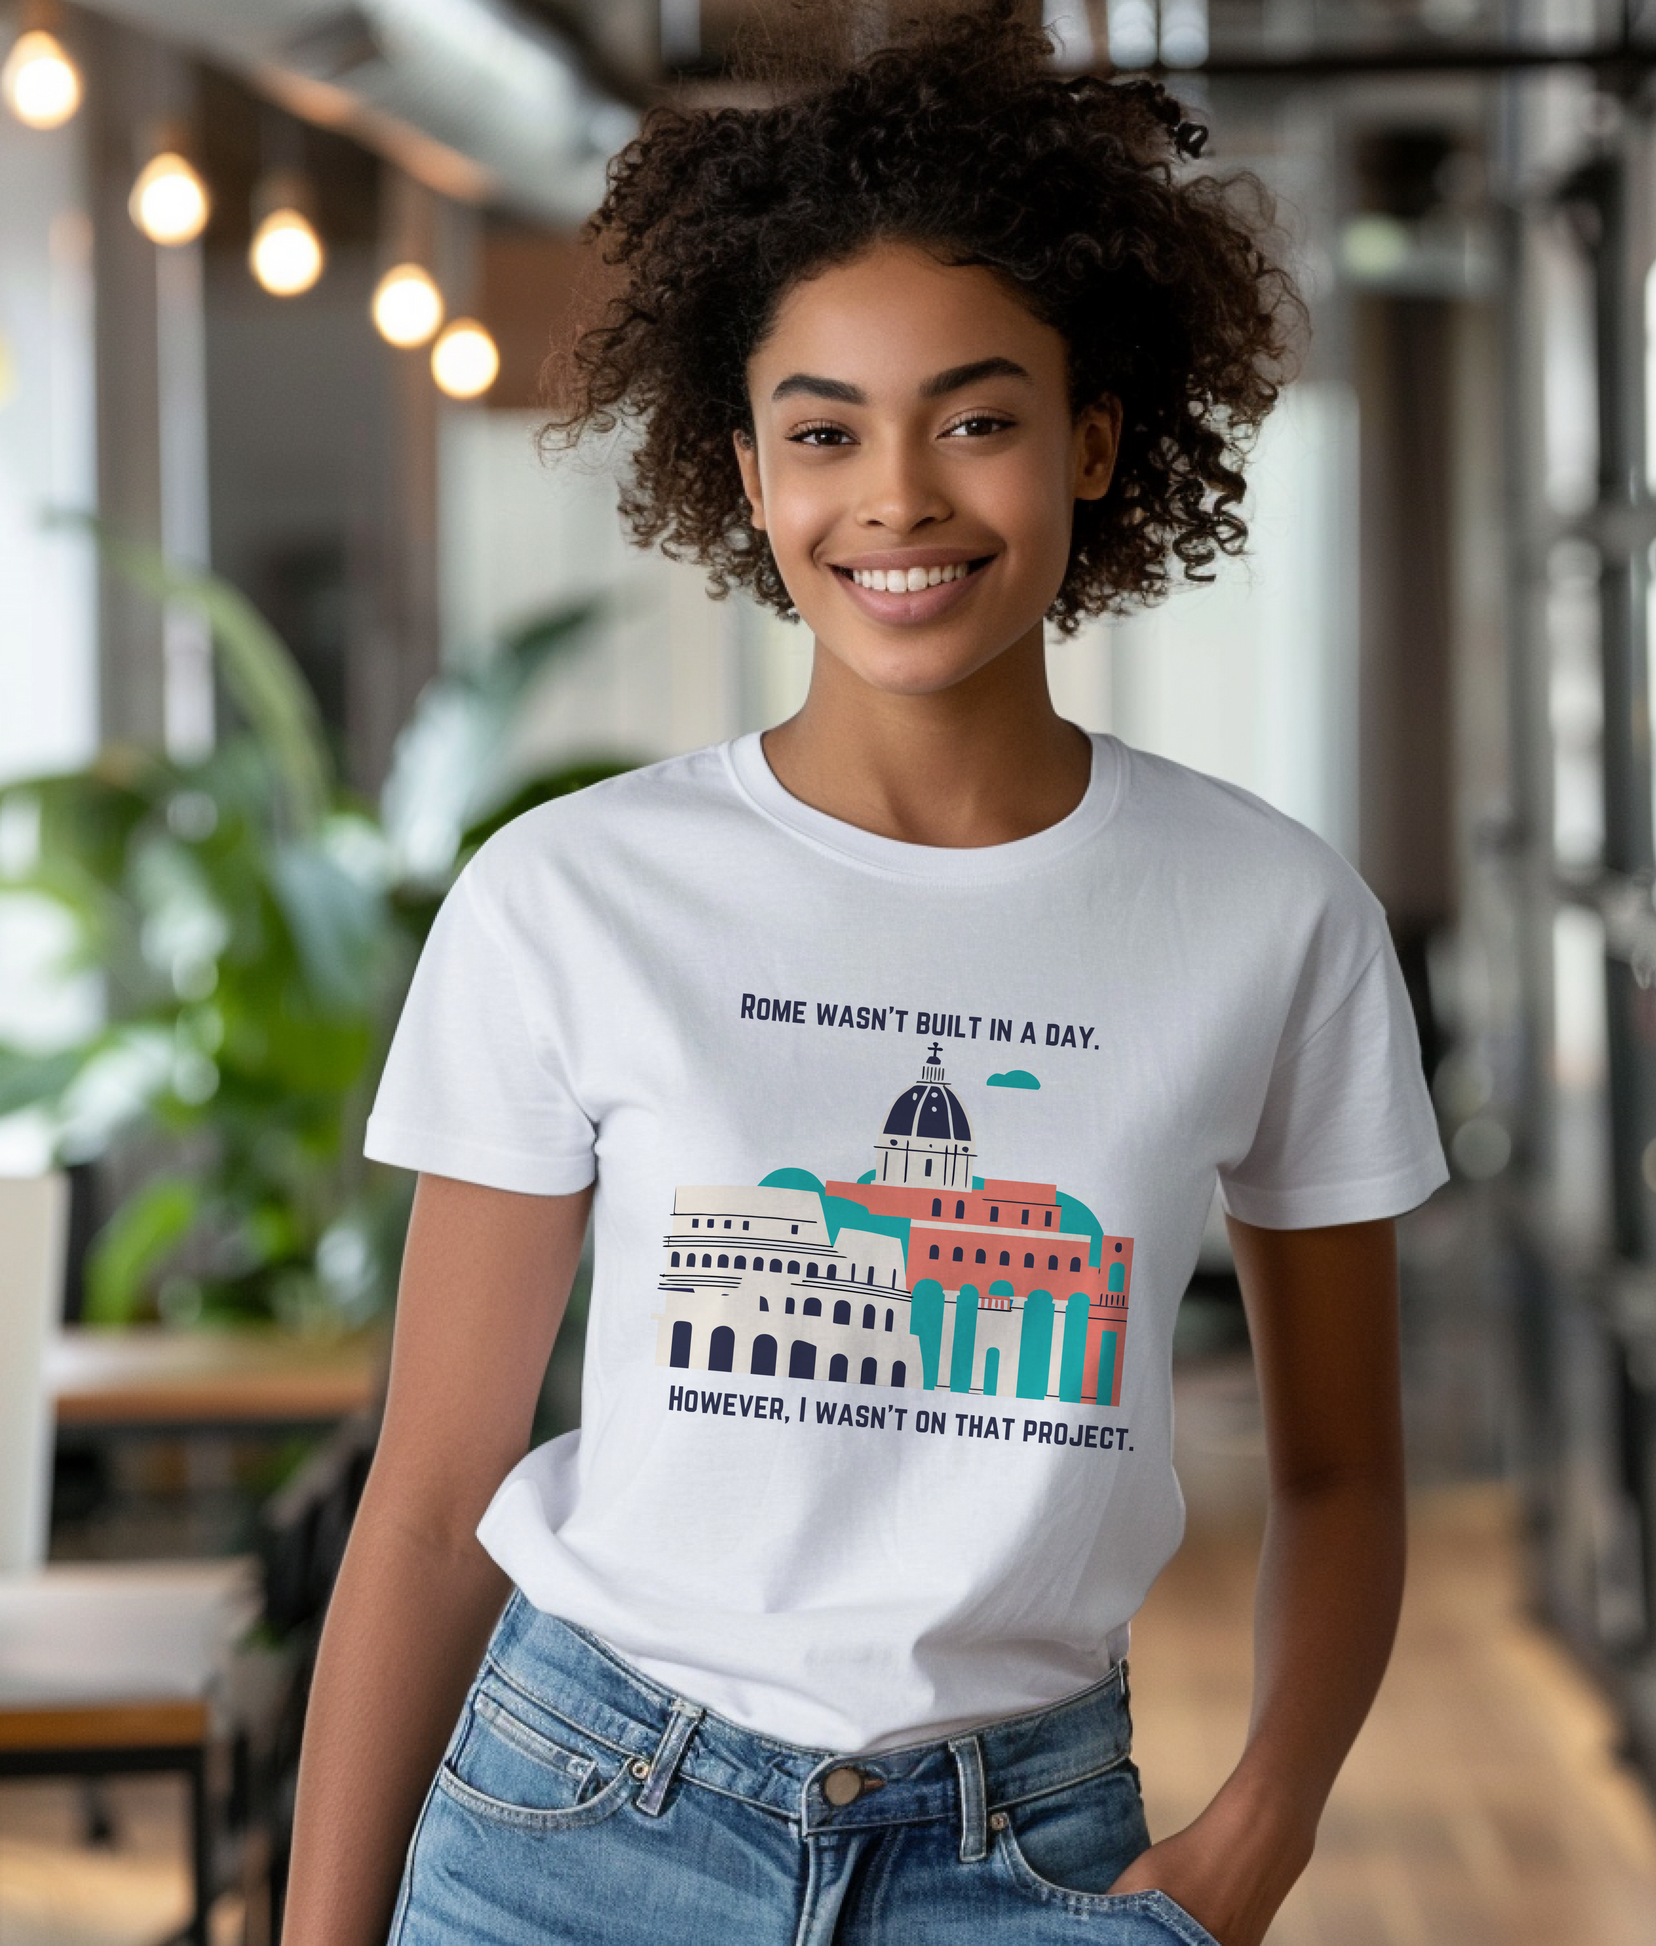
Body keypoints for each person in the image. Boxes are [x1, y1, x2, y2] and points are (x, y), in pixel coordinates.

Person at [283, 8, 1447, 1942]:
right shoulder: (570, 892)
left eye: (974, 419)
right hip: (578, 1823)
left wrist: (1263, 1832)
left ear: (1092, 441)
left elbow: (1341, 1471)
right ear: (745, 475)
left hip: (1033, 1848)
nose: (894, 495)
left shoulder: (1268, 913)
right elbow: (428, 1494)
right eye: (823, 430)